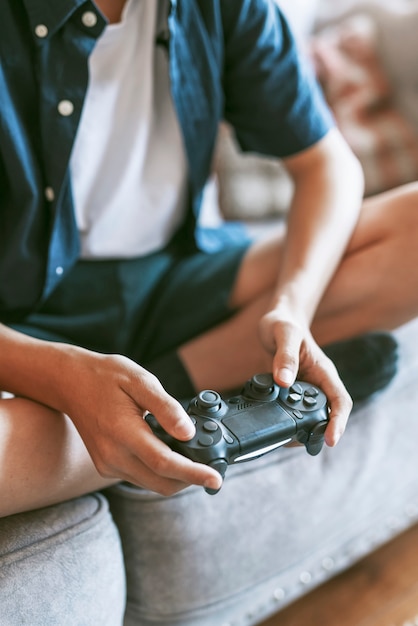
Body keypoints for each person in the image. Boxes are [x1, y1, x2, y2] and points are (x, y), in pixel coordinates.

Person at [0, 0, 406, 518]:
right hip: (21, 330)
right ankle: (191, 424)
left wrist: (293, 306)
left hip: (174, 281)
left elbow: (328, 166)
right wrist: (61, 376)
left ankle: (176, 402)